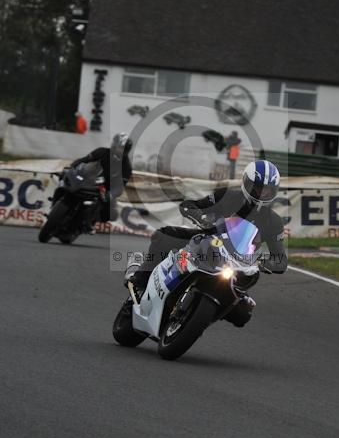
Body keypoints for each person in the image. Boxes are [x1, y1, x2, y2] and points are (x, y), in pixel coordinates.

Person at [125, 159, 287, 327]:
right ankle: (141, 280)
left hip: (239, 264)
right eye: (259, 188)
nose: (262, 193)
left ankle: (197, 314)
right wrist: (200, 217)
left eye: (268, 190)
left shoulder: (274, 222)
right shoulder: (227, 196)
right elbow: (190, 205)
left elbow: (281, 260)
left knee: (243, 314)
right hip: (206, 243)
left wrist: (264, 262)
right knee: (164, 235)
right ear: (247, 182)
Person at [70, 132, 133, 223]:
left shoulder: (127, 167)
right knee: (67, 179)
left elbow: (120, 187)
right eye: (117, 145)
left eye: (122, 148)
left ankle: (90, 222)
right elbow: (84, 159)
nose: (118, 149)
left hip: (105, 188)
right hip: (89, 178)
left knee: (111, 214)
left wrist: (111, 194)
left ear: (126, 150)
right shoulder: (102, 152)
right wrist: (74, 165)